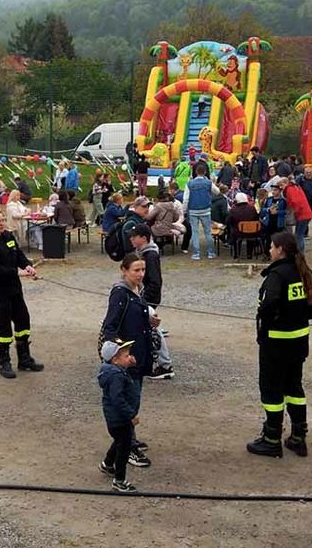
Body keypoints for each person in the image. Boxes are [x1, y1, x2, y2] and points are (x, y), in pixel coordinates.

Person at [247, 231, 312, 458]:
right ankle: (298, 436)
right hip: (298, 342)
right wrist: (301, 314)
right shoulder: (302, 271)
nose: (269, 250)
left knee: (271, 389)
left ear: (280, 250)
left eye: (272, 247)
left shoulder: (277, 275)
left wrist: (272, 316)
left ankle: (271, 438)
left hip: (275, 343)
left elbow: (269, 302)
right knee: (294, 387)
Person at [99, 252, 157, 468]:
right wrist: (121, 355)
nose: (141, 274)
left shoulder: (136, 291)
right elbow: (110, 326)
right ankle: (128, 447)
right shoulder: (120, 294)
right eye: (136, 270)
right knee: (128, 404)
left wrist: (149, 321)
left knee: (134, 400)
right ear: (124, 270)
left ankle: (129, 440)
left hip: (138, 358)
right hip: (127, 361)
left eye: (143, 270)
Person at [0, 209, 43, 379]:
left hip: (14, 289)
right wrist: (16, 273)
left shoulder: (8, 236)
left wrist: (27, 265)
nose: (2, 224)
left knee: (23, 321)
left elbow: (18, 255)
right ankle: (4, 363)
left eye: (3, 220)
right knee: (4, 326)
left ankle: (24, 358)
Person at [129, 224, 174, 380]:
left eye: (134, 236)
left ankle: (165, 365)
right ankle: (149, 359)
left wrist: (145, 299)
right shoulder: (142, 253)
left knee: (153, 329)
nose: (131, 238)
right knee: (146, 327)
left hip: (148, 298)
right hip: (143, 297)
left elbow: (155, 281)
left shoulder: (150, 255)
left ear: (143, 238)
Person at [97, 338, 140, 492]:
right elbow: (118, 399)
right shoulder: (116, 376)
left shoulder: (112, 370)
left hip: (115, 419)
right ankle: (119, 480)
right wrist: (131, 415)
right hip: (120, 419)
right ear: (115, 360)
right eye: (126, 355)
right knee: (124, 448)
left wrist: (130, 364)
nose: (130, 357)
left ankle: (107, 464)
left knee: (119, 440)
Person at [182, 161, 216, 260]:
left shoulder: (189, 184)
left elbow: (186, 199)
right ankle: (211, 252)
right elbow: (217, 191)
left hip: (193, 210)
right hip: (206, 209)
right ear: (205, 172)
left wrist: (184, 211)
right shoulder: (208, 183)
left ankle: (196, 254)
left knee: (195, 232)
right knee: (207, 232)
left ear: (196, 172)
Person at [281, 177, 312, 253]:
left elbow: (295, 201)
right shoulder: (296, 187)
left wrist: (294, 212)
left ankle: (299, 254)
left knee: (298, 235)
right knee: (299, 234)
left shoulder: (289, 189)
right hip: (306, 213)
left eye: (281, 185)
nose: (281, 187)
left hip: (302, 215)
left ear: (285, 183)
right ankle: (299, 252)